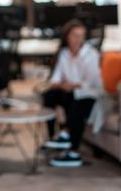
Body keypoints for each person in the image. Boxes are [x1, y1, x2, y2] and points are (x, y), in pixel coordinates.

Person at [41, 19, 102, 167]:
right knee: (49, 95)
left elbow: (92, 82)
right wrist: (62, 84)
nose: (78, 39)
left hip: (88, 92)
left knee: (77, 102)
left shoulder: (90, 54)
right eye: (75, 35)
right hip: (68, 90)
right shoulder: (63, 53)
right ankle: (55, 137)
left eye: (81, 35)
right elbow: (55, 78)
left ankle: (73, 150)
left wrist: (72, 85)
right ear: (67, 36)